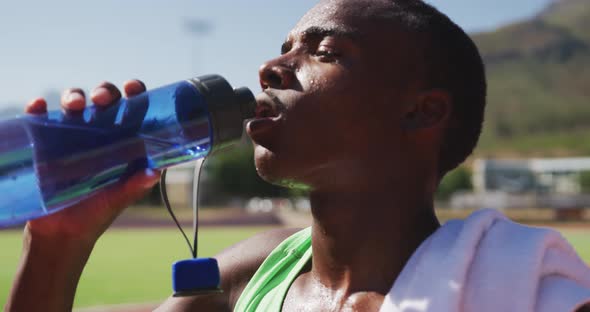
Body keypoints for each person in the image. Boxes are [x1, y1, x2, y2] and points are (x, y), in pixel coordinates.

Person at [6, 0, 590, 311]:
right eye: (282, 47)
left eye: (325, 51)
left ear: (422, 112)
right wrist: (57, 246)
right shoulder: (243, 280)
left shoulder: (528, 292)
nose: (270, 67)